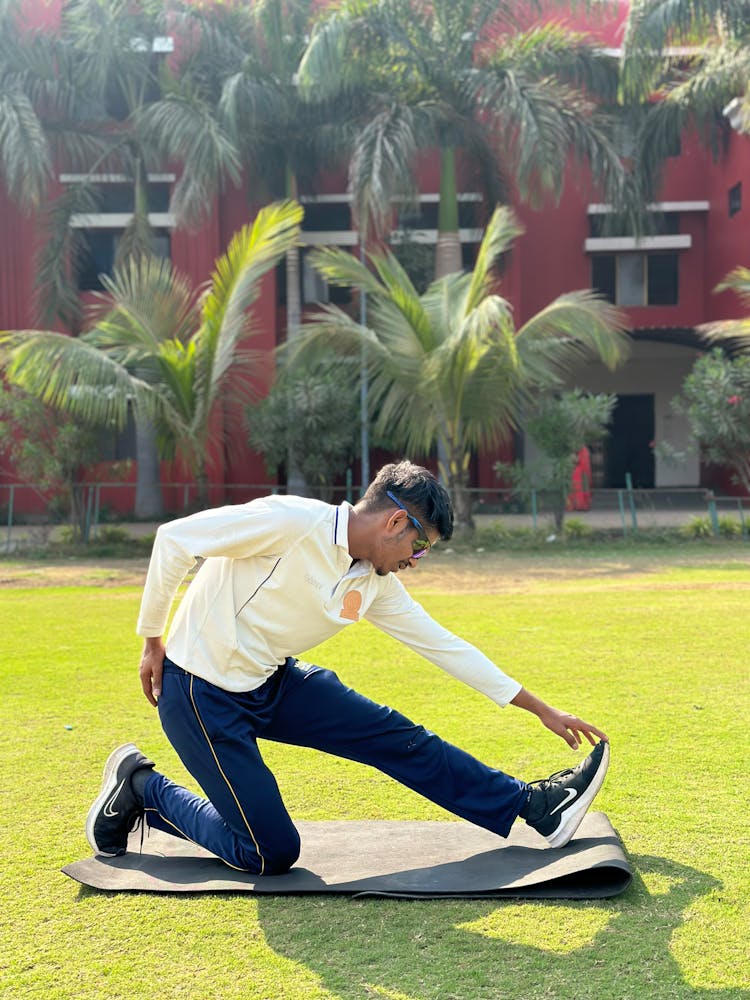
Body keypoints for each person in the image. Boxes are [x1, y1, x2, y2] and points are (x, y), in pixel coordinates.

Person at [87, 460, 610, 874]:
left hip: (271, 682)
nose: (417, 559)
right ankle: (141, 789)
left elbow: (446, 647)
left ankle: (536, 805)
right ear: (396, 521)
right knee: (270, 853)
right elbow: (175, 539)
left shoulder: (376, 582)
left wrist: (542, 709)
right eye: (420, 544)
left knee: (398, 736)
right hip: (199, 693)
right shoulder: (291, 521)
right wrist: (152, 638)